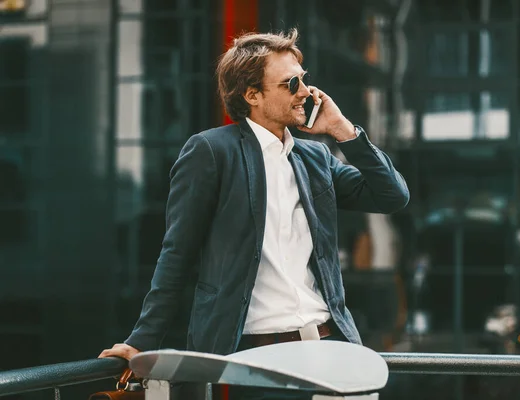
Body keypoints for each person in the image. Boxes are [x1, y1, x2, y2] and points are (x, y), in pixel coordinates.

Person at [99, 28, 410, 399]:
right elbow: (177, 253)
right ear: (252, 95)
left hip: (330, 351)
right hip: (256, 364)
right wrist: (142, 340)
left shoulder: (315, 157)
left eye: (304, 81)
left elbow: (392, 196)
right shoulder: (212, 152)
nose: (305, 92)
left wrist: (342, 130)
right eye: (290, 84)